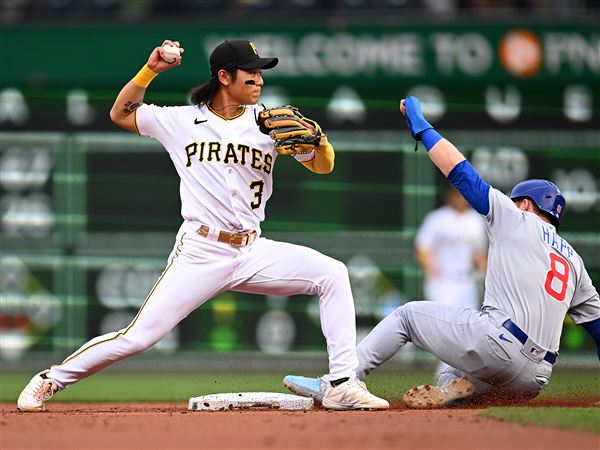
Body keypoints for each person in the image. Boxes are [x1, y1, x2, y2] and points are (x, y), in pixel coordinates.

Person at [16, 39, 388, 412]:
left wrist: (320, 142)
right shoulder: (181, 121)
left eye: (260, 73)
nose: (259, 81)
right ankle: (49, 380)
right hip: (202, 250)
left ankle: (341, 383)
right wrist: (151, 71)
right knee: (138, 337)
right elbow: (121, 113)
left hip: (253, 250)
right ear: (224, 76)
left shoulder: (268, 124)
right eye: (251, 72)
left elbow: (323, 166)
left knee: (333, 274)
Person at [283, 96, 600, 408]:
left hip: (497, 346)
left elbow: (461, 174)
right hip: (535, 377)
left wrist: (422, 128)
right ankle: (456, 390)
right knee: (457, 368)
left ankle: (338, 383)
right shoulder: (575, 262)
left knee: (407, 317)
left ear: (526, 204)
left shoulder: (515, 218)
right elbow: (597, 326)